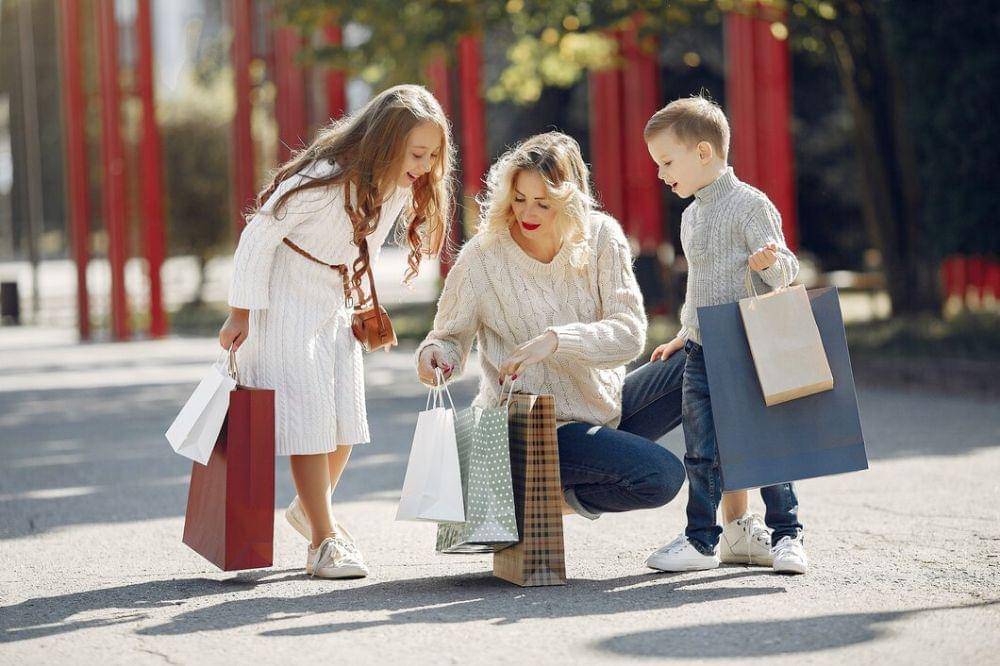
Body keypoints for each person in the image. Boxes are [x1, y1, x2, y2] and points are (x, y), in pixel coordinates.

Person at [219, 84, 454, 579]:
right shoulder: (320, 177)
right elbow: (258, 235)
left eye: (434, 154)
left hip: (334, 302)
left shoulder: (398, 184)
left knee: (346, 419)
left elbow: (356, 245)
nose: (426, 164)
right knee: (309, 417)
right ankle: (323, 541)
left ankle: (310, 511)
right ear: (385, 141)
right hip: (283, 303)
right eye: (417, 152)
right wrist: (240, 313)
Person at [416, 132, 687, 524]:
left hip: (604, 405)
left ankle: (726, 522)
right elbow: (447, 338)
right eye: (520, 199)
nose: (528, 213)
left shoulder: (601, 236)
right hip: (536, 427)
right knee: (661, 476)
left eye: (544, 203)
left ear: (570, 200)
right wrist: (434, 356)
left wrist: (557, 340)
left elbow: (629, 333)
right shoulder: (483, 256)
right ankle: (535, 497)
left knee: (697, 363)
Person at [643, 95, 808, 575]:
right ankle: (701, 541)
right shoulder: (691, 214)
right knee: (701, 450)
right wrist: (683, 333)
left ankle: (787, 536)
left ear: (702, 152)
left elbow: (787, 270)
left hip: (749, 346)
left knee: (764, 441)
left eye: (666, 161)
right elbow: (699, 286)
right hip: (700, 350)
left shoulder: (750, 204)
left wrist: (770, 264)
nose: (660, 173)